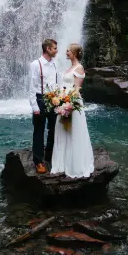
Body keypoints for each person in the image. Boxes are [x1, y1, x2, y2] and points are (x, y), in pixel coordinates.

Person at [50, 43, 94, 179]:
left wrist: (69, 105)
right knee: (63, 131)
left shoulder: (79, 68)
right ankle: (63, 164)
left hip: (72, 103)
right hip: (63, 100)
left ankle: (75, 165)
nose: (66, 52)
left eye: (68, 51)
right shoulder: (69, 68)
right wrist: (59, 99)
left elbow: (76, 89)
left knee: (73, 132)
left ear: (74, 53)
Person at [28, 39, 59, 174]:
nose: (57, 51)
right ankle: (38, 161)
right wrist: (35, 106)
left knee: (54, 130)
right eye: (54, 48)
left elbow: (56, 83)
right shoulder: (36, 64)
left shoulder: (54, 64)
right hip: (40, 99)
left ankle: (49, 156)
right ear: (47, 49)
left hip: (54, 100)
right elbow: (31, 87)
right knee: (39, 131)